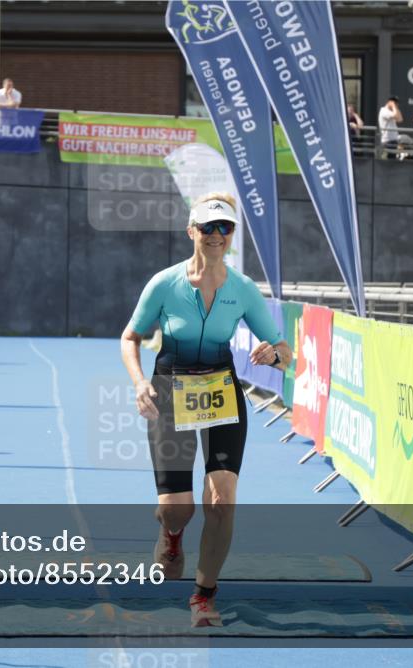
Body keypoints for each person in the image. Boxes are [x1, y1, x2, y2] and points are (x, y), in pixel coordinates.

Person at [120, 192, 293, 627]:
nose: (217, 235)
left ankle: (204, 594)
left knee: (221, 499)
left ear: (231, 234)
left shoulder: (243, 288)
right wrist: (140, 383)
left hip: (220, 389)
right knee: (178, 508)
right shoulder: (165, 283)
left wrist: (274, 355)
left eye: (225, 228)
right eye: (208, 227)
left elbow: (285, 352)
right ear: (191, 231)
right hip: (170, 390)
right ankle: (171, 532)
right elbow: (130, 337)